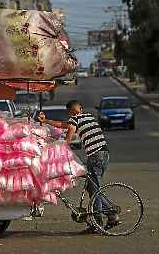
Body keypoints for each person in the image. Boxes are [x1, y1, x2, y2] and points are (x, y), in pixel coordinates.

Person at [38, 100, 119, 233]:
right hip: (103, 154)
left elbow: (69, 129)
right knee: (91, 187)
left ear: (71, 112)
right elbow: (64, 125)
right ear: (80, 108)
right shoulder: (88, 117)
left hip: (96, 156)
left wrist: (63, 144)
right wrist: (46, 120)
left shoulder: (75, 119)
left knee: (95, 190)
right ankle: (111, 214)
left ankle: (98, 222)